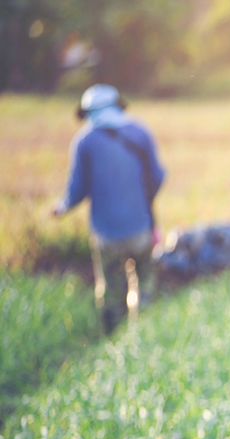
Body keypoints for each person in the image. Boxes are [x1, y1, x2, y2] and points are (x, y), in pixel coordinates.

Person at [53, 84, 166, 334]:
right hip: (141, 227)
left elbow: (76, 190)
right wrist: (142, 201)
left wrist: (61, 208)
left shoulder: (85, 142)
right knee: (144, 282)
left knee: (111, 287)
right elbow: (158, 176)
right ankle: (141, 334)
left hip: (106, 233)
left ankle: (111, 337)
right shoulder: (140, 132)